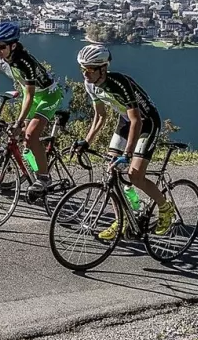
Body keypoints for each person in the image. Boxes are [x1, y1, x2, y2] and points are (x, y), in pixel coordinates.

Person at [74, 43, 177, 236]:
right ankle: (123, 220)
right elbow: (100, 116)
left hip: (146, 123)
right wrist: (86, 141)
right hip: (125, 121)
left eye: (89, 70)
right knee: (110, 172)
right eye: (83, 69)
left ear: (103, 69)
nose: (85, 74)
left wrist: (128, 154)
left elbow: (137, 120)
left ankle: (165, 208)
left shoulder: (119, 83)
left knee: (135, 175)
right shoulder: (90, 84)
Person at [0, 20, 63, 193]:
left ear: (13, 45)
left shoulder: (25, 62)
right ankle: (35, 169)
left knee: (31, 134)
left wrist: (19, 121)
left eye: (1, 47)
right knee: (25, 142)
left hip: (48, 95)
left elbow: (31, 95)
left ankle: (44, 178)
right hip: (30, 95)